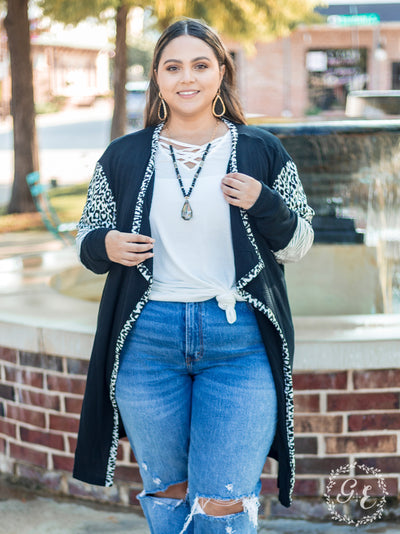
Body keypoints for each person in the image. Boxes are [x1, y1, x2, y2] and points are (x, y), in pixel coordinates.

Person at [73, 18, 314, 534]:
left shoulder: (261, 150)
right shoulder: (124, 155)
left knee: (223, 502)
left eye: (201, 65)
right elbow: (87, 239)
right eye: (173, 66)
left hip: (240, 344)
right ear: (157, 78)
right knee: (169, 493)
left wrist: (264, 202)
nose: (188, 77)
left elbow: (299, 244)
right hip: (147, 346)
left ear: (221, 72)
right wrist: (106, 245)